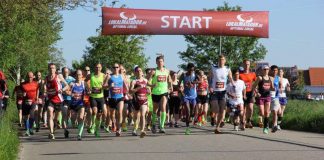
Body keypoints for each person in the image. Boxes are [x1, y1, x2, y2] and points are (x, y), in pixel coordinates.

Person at [209, 55, 234, 134]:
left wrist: (233, 87)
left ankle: (217, 127)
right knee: (216, 109)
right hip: (214, 91)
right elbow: (209, 78)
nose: (221, 61)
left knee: (222, 110)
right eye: (219, 60)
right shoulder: (213, 68)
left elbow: (230, 78)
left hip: (223, 92)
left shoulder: (227, 69)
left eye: (222, 60)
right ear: (218, 60)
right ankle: (213, 116)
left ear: (225, 61)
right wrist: (210, 86)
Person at [44, 63, 69, 140]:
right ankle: (51, 133)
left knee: (56, 119)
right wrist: (45, 91)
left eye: (53, 68)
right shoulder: (46, 78)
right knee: (49, 113)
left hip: (59, 100)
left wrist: (62, 90)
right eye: (50, 68)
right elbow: (44, 87)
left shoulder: (59, 76)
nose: (52, 69)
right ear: (48, 69)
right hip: (50, 100)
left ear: (55, 69)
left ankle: (65, 130)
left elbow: (67, 86)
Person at [150, 55, 173, 134]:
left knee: (163, 107)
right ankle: (153, 124)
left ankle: (162, 126)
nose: (160, 63)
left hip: (164, 92)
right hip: (155, 92)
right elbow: (147, 80)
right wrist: (150, 85)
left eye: (161, 61)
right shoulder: (154, 71)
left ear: (163, 62)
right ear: (156, 62)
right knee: (155, 110)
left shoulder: (167, 71)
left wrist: (170, 88)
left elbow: (169, 80)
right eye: (158, 62)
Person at [104, 63, 128, 136]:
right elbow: (103, 86)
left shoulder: (122, 76)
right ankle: (113, 122)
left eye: (117, 67)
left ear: (119, 68)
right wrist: (109, 86)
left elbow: (125, 85)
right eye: (114, 67)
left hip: (120, 97)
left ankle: (119, 128)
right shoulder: (109, 76)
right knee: (112, 114)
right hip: (112, 98)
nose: (116, 68)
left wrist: (127, 92)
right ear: (112, 68)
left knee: (120, 112)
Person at [252, 65, 274, 134]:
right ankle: (264, 122)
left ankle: (265, 127)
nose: (266, 70)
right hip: (261, 97)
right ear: (262, 70)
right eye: (264, 69)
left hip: (268, 96)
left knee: (267, 112)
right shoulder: (260, 78)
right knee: (262, 112)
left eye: (267, 69)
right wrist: (257, 92)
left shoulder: (271, 78)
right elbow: (253, 86)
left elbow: (272, 88)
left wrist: (276, 89)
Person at [87, 63, 107, 137]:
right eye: (96, 67)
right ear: (94, 68)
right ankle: (92, 125)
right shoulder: (90, 75)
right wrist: (88, 88)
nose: (97, 69)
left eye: (99, 67)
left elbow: (106, 85)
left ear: (101, 68)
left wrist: (103, 86)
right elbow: (85, 81)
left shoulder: (103, 75)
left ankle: (96, 130)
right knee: (94, 111)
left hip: (101, 97)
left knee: (99, 114)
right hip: (93, 96)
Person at [178, 63, 197, 135]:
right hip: (186, 96)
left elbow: (199, 81)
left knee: (192, 112)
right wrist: (181, 91)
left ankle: (190, 118)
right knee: (188, 111)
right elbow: (179, 84)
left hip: (193, 96)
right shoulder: (184, 75)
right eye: (191, 70)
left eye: (193, 70)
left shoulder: (194, 75)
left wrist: (193, 83)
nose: (192, 71)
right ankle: (187, 128)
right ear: (187, 69)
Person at [130, 66, 149, 137]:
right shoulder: (134, 81)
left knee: (142, 115)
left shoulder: (145, 80)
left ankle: (142, 131)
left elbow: (149, 86)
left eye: (140, 71)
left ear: (142, 72)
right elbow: (130, 90)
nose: (139, 72)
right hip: (136, 100)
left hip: (144, 100)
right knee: (136, 116)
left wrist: (149, 89)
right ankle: (135, 129)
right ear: (135, 72)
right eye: (137, 71)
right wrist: (137, 88)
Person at [239, 59, 257, 129]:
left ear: (250, 65)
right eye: (245, 64)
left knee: (251, 108)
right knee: (242, 110)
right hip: (242, 93)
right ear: (243, 65)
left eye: (248, 64)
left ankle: (249, 121)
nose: (247, 65)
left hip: (250, 92)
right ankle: (242, 122)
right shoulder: (240, 75)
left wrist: (256, 90)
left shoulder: (253, 74)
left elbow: (256, 83)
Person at [69, 70, 86, 140]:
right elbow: (66, 91)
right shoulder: (72, 84)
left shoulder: (84, 83)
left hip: (81, 104)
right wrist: (71, 94)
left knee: (81, 118)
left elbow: (89, 90)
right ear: (75, 76)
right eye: (77, 75)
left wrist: (89, 91)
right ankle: (71, 123)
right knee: (73, 120)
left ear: (82, 75)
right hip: (73, 104)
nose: (78, 76)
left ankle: (79, 134)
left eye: (79, 75)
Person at [21, 72, 39, 136]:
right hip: (25, 102)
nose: (29, 78)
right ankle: (27, 130)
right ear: (26, 77)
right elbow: (20, 93)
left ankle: (31, 128)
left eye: (31, 77)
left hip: (33, 101)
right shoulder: (23, 84)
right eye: (28, 77)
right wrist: (23, 95)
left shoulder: (36, 84)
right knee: (26, 116)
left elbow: (38, 90)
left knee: (32, 115)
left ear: (33, 77)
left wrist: (37, 97)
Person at [61, 67, 75, 138]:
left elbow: (76, 87)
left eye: (66, 72)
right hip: (63, 100)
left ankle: (71, 124)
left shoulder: (72, 79)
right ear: (62, 72)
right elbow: (59, 90)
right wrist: (64, 92)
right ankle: (65, 130)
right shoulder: (60, 79)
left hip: (71, 100)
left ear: (68, 72)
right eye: (64, 72)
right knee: (64, 114)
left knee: (72, 116)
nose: (65, 73)